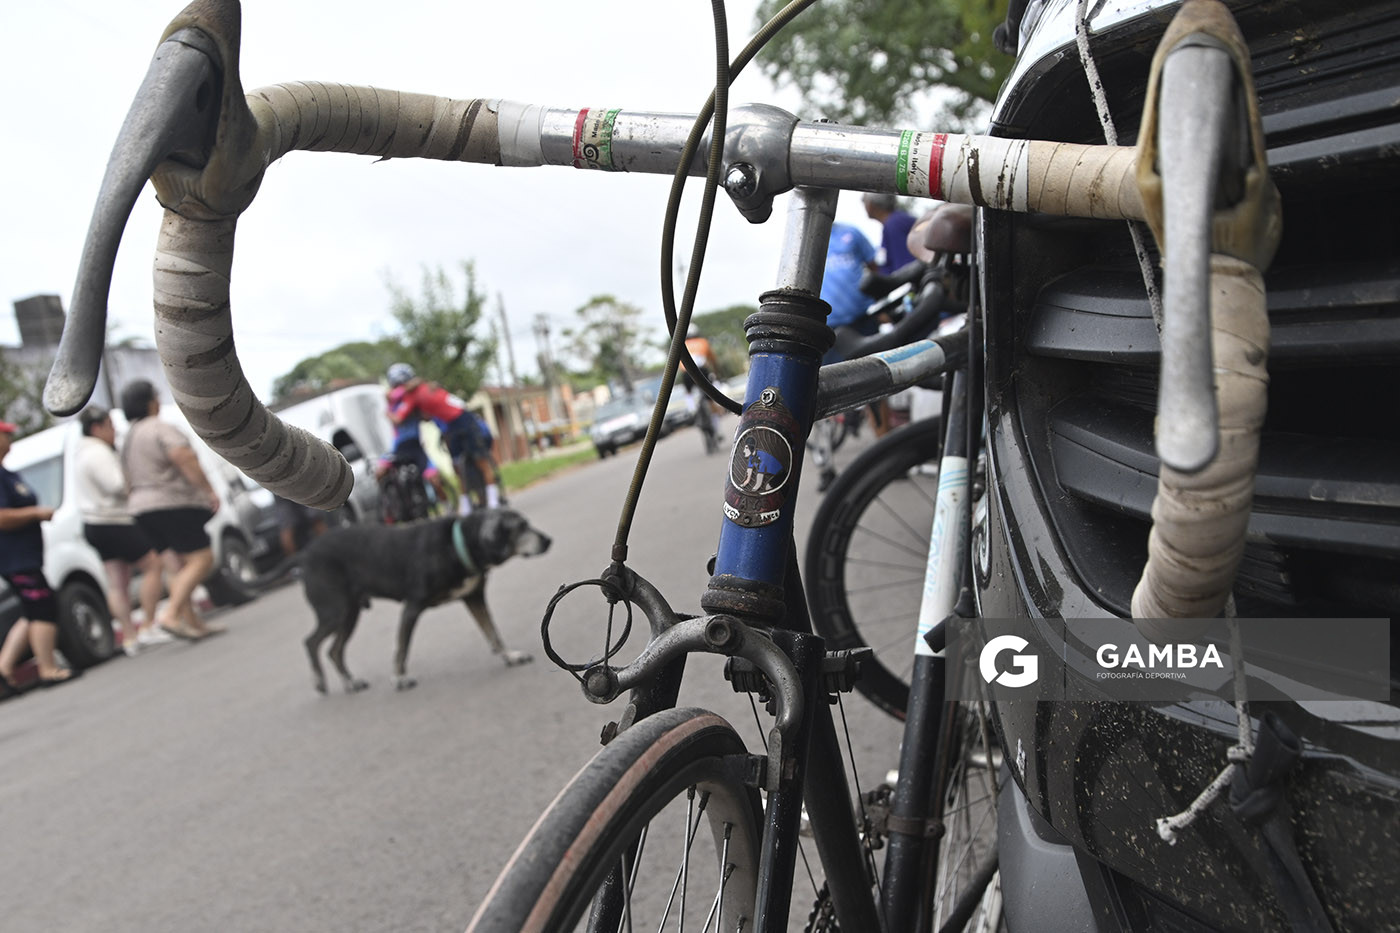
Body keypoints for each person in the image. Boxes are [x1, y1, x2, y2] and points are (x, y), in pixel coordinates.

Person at [119, 381, 224, 640]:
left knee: (175, 566)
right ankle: (170, 614)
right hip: (171, 503)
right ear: (151, 401)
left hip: (141, 510)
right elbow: (183, 457)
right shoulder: (159, 428)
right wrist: (207, 490)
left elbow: (125, 479)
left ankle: (192, 623)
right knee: (201, 559)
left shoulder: (128, 438)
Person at [75, 406, 170, 656]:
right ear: (96, 428)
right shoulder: (96, 453)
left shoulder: (81, 453)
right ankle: (148, 625)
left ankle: (130, 637)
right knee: (154, 565)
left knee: (118, 582)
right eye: (109, 424)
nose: (114, 429)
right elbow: (116, 485)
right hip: (114, 520)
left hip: (95, 524)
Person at [0, 420, 78, 693]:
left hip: (25, 556)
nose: (10, 436)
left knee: (33, 610)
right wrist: (35, 513)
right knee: (42, 607)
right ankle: (48, 668)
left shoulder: (5, 472)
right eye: (4, 433)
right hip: (15, 557)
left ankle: (4, 668)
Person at [386, 363, 502, 514]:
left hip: (464, 421)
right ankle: (467, 505)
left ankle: (493, 502)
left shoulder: (414, 392)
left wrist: (387, 412)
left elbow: (398, 416)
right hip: (451, 427)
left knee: (480, 462)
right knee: (458, 467)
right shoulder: (423, 388)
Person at [862, 192, 918, 274]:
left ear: (871, 205)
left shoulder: (895, 224)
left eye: (865, 202)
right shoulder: (892, 223)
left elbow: (905, 267)